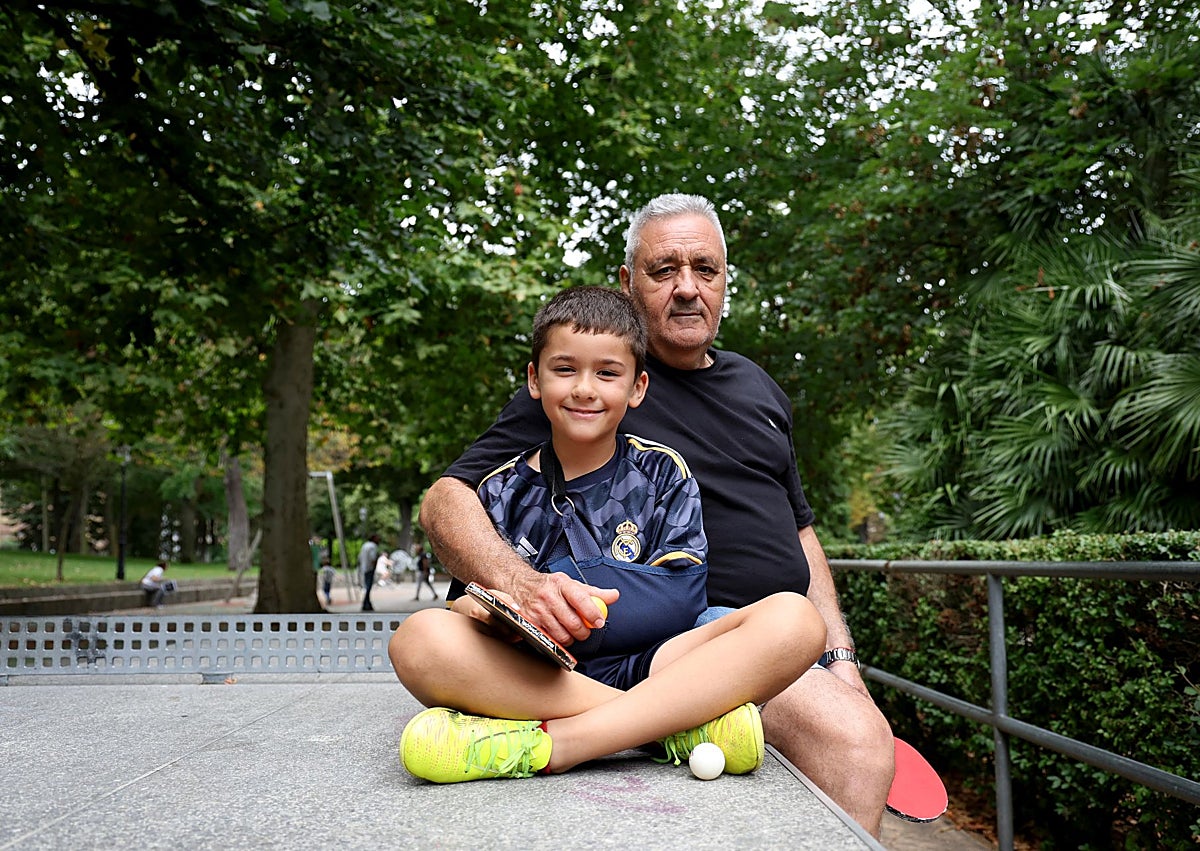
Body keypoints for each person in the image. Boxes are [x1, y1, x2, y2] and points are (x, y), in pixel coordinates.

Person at [418, 195, 895, 835]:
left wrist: (841, 659)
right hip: (671, 633)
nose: (688, 288)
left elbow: (799, 530)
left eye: (706, 268)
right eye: (663, 269)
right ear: (627, 283)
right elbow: (448, 500)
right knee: (858, 743)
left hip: (760, 636)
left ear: (727, 280)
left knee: (846, 709)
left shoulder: (759, 388)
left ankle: (612, 726)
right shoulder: (594, 376)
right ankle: (663, 720)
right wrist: (521, 588)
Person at [390, 285, 826, 784]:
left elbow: (682, 596)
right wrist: (492, 611)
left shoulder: (663, 472)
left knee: (797, 619)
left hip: (657, 663)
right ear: (534, 379)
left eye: (607, 373)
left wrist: (558, 600)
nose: (584, 389)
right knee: (418, 639)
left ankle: (558, 744)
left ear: (637, 388)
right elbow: (467, 603)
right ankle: (669, 729)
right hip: (537, 675)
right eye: (565, 369)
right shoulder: (497, 489)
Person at [358, 534, 381, 612]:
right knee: (368, 587)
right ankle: (366, 603)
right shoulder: (373, 546)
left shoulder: (365, 545)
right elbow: (373, 558)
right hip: (369, 568)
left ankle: (367, 603)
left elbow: (360, 557)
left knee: (367, 586)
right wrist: (374, 566)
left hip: (364, 568)